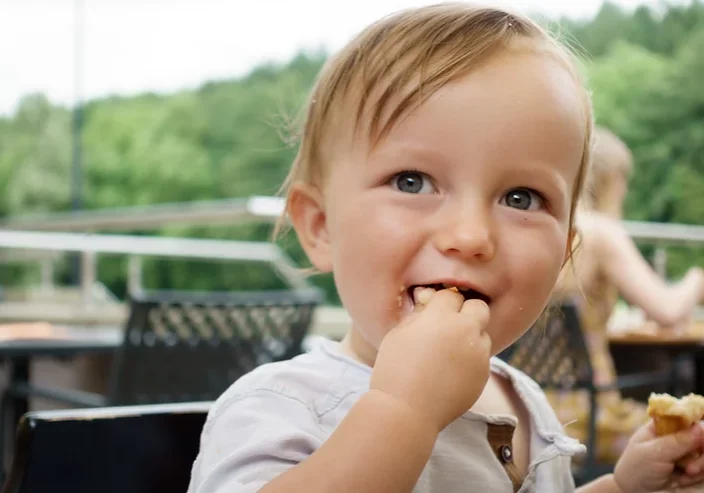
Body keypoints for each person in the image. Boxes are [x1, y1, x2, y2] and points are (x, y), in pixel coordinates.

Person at [187, 4, 704, 492]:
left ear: (565, 252)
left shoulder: (523, 400)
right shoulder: (281, 408)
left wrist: (622, 485)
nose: (469, 236)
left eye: (521, 198)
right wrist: (402, 412)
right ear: (322, 226)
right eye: (411, 182)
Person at [548, 127, 704, 463]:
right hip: (591, 421)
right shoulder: (600, 234)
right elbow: (668, 310)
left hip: (523, 412)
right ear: (610, 181)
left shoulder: (542, 226)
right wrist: (696, 280)